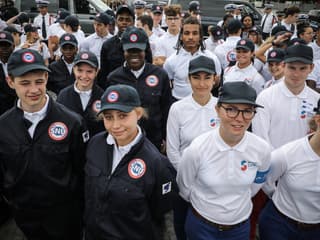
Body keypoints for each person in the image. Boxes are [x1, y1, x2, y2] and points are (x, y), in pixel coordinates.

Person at [0, 48, 88, 239]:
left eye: (39, 81)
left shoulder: (72, 122)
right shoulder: (3, 126)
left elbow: (81, 171)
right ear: (10, 82)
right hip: (26, 216)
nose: (33, 90)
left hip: (65, 217)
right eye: (24, 83)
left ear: (47, 79)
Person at [177, 81, 271, 240]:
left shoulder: (262, 149)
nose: (239, 119)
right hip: (201, 226)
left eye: (248, 111)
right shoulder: (197, 149)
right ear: (217, 109)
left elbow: (256, 184)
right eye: (231, 110)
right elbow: (184, 187)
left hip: (240, 228)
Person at [84, 84, 177, 239]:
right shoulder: (95, 145)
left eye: (122, 115)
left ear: (138, 113)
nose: (115, 125)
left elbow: (164, 218)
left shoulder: (157, 164)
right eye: (108, 117)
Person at [166, 55, 219, 240]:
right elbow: (172, 150)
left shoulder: (222, 107)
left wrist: (209, 179)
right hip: (184, 183)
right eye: (196, 77)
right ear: (189, 79)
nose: (202, 84)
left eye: (207, 77)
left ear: (215, 79)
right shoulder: (178, 109)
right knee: (182, 227)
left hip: (215, 183)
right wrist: (188, 179)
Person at [258, 99, 320, 240]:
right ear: (318, 120)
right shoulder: (287, 154)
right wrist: (275, 195)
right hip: (279, 225)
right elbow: (265, 179)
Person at [106, 26, 172, 151]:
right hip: (124, 142)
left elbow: (166, 109)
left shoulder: (160, 75)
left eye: (138, 50)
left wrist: (165, 137)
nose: (134, 54)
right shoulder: (113, 78)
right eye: (130, 50)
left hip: (154, 141)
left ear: (146, 50)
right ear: (123, 51)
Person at [252, 44, 319, 149]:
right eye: (292, 68)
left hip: (306, 163)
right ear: (283, 65)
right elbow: (260, 137)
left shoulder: (316, 100)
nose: (296, 74)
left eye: (302, 68)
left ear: (311, 68)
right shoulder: (266, 97)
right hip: (272, 162)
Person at [164, 16, 221, 100]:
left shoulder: (212, 58)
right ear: (181, 36)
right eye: (187, 33)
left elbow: (216, 82)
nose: (190, 37)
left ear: (200, 36)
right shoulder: (171, 61)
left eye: (195, 33)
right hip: (178, 103)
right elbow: (167, 84)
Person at [97, 5, 152, 89]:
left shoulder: (143, 41)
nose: (124, 22)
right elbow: (104, 73)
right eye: (121, 19)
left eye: (128, 20)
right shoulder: (107, 45)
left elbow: (148, 65)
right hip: (115, 89)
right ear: (116, 22)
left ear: (133, 22)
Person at [57, 51, 104, 137]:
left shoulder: (103, 96)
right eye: (80, 70)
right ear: (74, 69)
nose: (84, 76)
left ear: (96, 72)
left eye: (89, 71)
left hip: (94, 146)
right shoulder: (63, 95)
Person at [0, 30, 16, 115]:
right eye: (1, 46)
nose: (4, 49)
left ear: (13, 46)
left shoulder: (20, 64)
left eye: (7, 45)